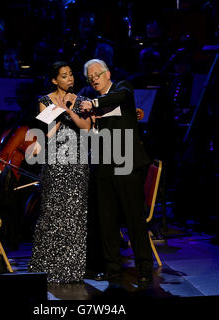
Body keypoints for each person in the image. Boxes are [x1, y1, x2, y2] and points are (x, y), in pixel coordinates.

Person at [80, 59, 153, 284]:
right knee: (107, 219)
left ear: (107, 73)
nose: (94, 79)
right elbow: (92, 136)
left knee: (134, 218)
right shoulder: (94, 102)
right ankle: (112, 267)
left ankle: (144, 267)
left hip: (127, 164)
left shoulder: (123, 88)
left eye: (97, 74)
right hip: (103, 165)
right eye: (90, 77)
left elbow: (117, 98)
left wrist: (93, 103)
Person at [28, 61, 91, 283]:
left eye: (71, 75)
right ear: (55, 80)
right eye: (64, 76)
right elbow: (47, 134)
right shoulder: (44, 101)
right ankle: (49, 268)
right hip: (55, 163)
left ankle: (72, 269)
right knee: (52, 213)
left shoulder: (82, 100)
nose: (70, 79)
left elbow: (86, 128)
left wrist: (69, 110)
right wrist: (57, 112)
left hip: (77, 163)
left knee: (74, 215)